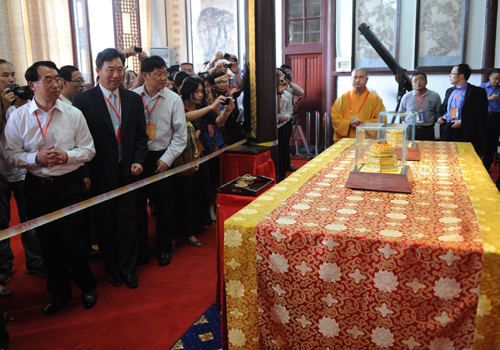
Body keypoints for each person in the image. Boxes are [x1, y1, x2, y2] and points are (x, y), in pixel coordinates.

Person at [5, 61, 97, 315]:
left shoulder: (73, 113)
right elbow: (11, 155)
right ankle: (59, 294)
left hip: (68, 185)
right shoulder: (18, 117)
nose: (56, 84)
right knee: (48, 244)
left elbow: (89, 150)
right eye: (48, 80)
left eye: (57, 79)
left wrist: (66, 156)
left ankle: (87, 286)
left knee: (73, 242)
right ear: (32, 85)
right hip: (36, 187)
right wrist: (36, 158)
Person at [73, 48, 148, 289]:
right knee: (104, 224)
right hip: (98, 173)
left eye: (120, 69)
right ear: (98, 71)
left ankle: (128, 269)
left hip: (128, 171)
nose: (116, 75)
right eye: (110, 70)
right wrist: (84, 172)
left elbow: (140, 136)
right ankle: (112, 268)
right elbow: (78, 142)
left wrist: (139, 159)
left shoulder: (133, 99)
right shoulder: (83, 100)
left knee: (128, 223)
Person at [133, 56, 187, 266]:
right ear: (145, 75)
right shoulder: (132, 97)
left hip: (163, 156)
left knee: (165, 206)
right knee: (138, 207)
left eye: (165, 73)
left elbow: (180, 136)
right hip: (137, 157)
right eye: (158, 73)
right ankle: (141, 250)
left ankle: (164, 248)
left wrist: (166, 159)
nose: (164, 77)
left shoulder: (173, 99)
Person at [0, 59, 46, 286]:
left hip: (23, 169)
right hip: (1, 172)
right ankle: (4, 265)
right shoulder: (3, 103)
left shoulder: (19, 100)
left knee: (30, 218)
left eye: (12, 74)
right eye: (4, 75)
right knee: (2, 221)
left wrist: (19, 105)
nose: (10, 79)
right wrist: (2, 107)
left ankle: (35, 260)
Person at [438, 64, 488, 152]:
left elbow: (481, 115)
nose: (450, 76)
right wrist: (440, 117)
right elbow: (442, 108)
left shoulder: (477, 92)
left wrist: (464, 122)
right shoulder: (449, 91)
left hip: (463, 131)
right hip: (447, 128)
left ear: (461, 76)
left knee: (463, 157)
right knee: (445, 155)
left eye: (452, 73)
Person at [331, 68, 385, 142]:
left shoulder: (375, 99)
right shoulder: (342, 99)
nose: (357, 80)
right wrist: (348, 123)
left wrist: (365, 124)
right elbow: (335, 117)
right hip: (345, 140)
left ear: (367, 79)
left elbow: (382, 119)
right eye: (355, 77)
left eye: (361, 77)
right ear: (351, 79)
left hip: (366, 140)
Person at [399, 72, 441, 141]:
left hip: (428, 129)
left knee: (428, 150)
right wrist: (410, 122)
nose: (418, 82)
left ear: (426, 82)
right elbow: (402, 113)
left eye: (421, 80)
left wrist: (429, 122)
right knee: (410, 150)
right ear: (412, 84)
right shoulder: (406, 96)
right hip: (410, 129)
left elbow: (438, 112)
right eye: (415, 81)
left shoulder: (435, 96)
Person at [479, 69, 500, 171]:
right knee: (480, 141)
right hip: (484, 116)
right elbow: (475, 102)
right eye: (495, 79)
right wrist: (489, 99)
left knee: (492, 143)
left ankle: (486, 167)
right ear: (489, 77)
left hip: (496, 117)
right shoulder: (482, 88)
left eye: (499, 80)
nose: (497, 81)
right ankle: (477, 165)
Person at [276, 69, 293, 182]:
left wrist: (285, 117)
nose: (282, 82)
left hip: (283, 125)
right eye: (279, 79)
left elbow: (289, 110)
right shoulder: (268, 93)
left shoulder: (287, 95)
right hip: (271, 126)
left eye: (283, 79)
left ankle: (281, 174)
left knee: (282, 149)